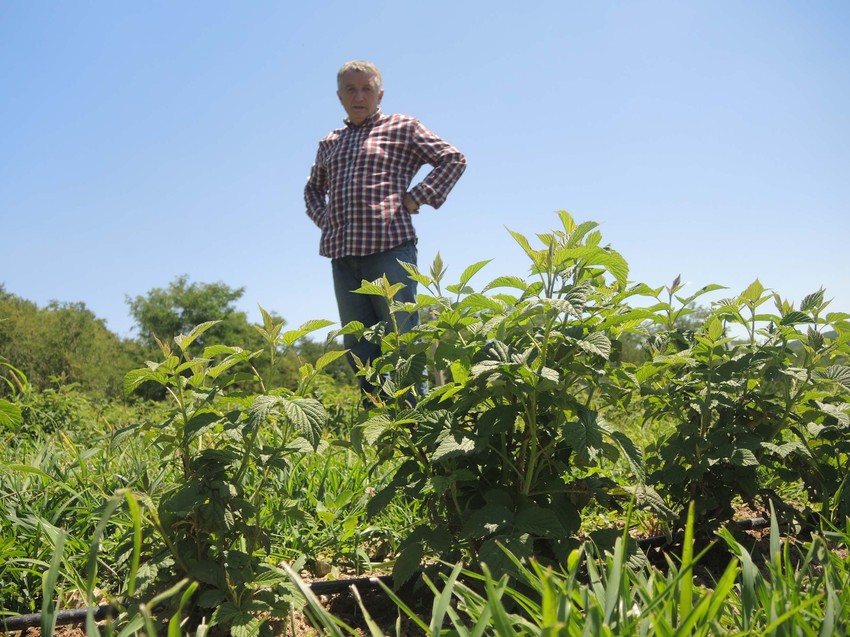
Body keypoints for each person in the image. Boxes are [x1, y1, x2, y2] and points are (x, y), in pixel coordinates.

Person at [305, 60, 466, 399]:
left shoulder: (402, 127)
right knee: (358, 345)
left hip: (389, 248)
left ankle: (416, 422)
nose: (359, 96)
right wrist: (326, 219)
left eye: (367, 89)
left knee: (400, 338)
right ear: (339, 97)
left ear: (380, 95)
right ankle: (381, 423)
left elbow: (452, 159)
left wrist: (415, 198)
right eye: (351, 89)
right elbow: (312, 190)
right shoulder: (330, 142)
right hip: (343, 257)